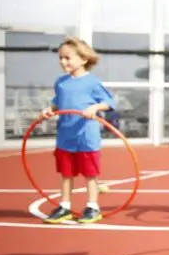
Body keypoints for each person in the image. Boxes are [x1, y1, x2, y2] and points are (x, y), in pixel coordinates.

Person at [41, 37, 116, 224]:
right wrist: (49, 110)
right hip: (65, 136)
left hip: (86, 136)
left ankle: (92, 207)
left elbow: (109, 102)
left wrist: (95, 107)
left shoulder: (92, 82)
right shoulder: (61, 82)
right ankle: (64, 206)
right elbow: (58, 103)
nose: (62, 61)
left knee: (90, 174)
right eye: (60, 58)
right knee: (66, 174)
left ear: (83, 59)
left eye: (67, 58)